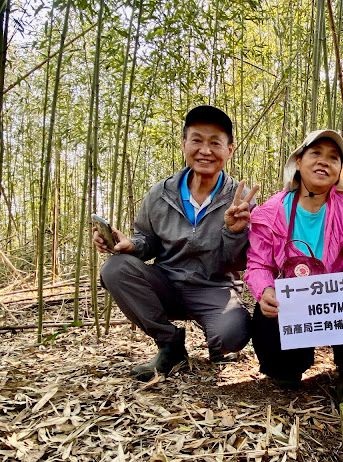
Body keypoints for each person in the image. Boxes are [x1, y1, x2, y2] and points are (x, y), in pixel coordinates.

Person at [93, 105, 258, 381]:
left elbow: (239, 262)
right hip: (166, 282)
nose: (205, 150)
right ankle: (170, 345)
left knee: (232, 336)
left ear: (229, 150)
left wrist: (233, 231)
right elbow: (147, 241)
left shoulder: (240, 199)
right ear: (184, 144)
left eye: (215, 143)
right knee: (114, 268)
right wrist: (130, 245)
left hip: (214, 288)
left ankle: (218, 341)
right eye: (197, 140)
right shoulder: (161, 193)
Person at [245, 130, 343, 403]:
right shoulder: (270, 211)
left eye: (333, 158)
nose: (324, 162)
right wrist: (264, 290)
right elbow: (258, 263)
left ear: (339, 171)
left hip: (333, 302)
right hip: (293, 302)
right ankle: (292, 363)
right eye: (315, 154)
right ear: (298, 161)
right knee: (282, 369)